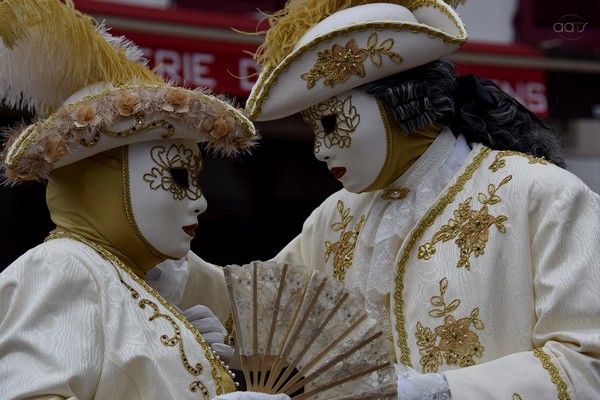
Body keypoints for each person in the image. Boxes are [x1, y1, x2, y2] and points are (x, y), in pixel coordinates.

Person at [244, 0, 600, 399]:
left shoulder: (543, 195)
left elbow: (588, 365)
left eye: (330, 124)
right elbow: (258, 305)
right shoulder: (335, 217)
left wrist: (437, 391)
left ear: (400, 100)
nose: (320, 151)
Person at [0, 1, 289, 399]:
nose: (201, 202)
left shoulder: (161, 276)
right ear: (104, 182)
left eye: (197, 180)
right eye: (178, 176)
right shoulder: (61, 268)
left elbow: (282, 310)